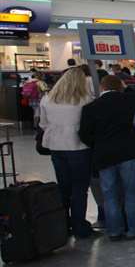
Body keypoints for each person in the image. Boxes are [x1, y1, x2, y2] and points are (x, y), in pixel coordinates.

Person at [78, 73, 135, 241]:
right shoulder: (127, 100)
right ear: (120, 86)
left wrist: (98, 143)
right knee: (132, 193)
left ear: (102, 88)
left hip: (104, 155)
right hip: (129, 152)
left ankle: (114, 231)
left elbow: (84, 134)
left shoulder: (90, 107)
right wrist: (127, 88)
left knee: (109, 195)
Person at [36, 64, 97, 239]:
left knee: (63, 187)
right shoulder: (85, 100)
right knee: (79, 188)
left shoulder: (48, 99)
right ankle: (80, 227)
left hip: (56, 147)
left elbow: (42, 124)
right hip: (78, 148)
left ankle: (62, 225)